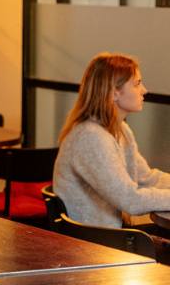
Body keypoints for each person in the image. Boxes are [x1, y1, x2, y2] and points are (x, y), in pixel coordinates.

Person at [53, 53, 170, 258]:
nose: (144, 90)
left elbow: (146, 178)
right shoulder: (90, 137)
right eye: (137, 84)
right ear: (114, 92)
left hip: (111, 236)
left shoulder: (120, 130)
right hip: (91, 246)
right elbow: (130, 200)